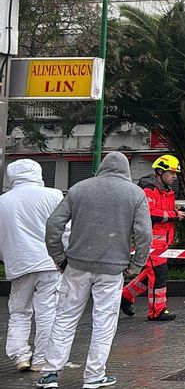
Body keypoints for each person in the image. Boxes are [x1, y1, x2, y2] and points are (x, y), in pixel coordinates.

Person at [38, 151, 152, 389]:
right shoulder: (135, 194)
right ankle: (94, 376)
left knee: (65, 318)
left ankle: (50, 374)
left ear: (102, 167)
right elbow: (144, 234)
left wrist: (59, 258)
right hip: (113, 270)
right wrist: (136, 266)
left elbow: (53, 225)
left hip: (76, 266)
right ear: (126, 170)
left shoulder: (79, 188)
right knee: (104, 321)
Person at [0, 160, 63, 373]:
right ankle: (41, 360)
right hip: (50, 263)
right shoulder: (54, 195)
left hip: (18, 264)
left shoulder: (3, 201)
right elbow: (65, 230)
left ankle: (20, 355)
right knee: (47, 312)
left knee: (19, 311)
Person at [120, 154, 185, 322]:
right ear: (160, 171)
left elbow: (161, 212)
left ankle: (125, 295)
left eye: (176, 174)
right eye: (172, 173)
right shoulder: (148, 189)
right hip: (151, 242)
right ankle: (157, 311)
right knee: (158, 274)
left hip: (163, 242)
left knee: (151, 273)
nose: (175, 177)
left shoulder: (166, 191)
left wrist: (177, 212)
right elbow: (149, 213)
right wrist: (174, 215)